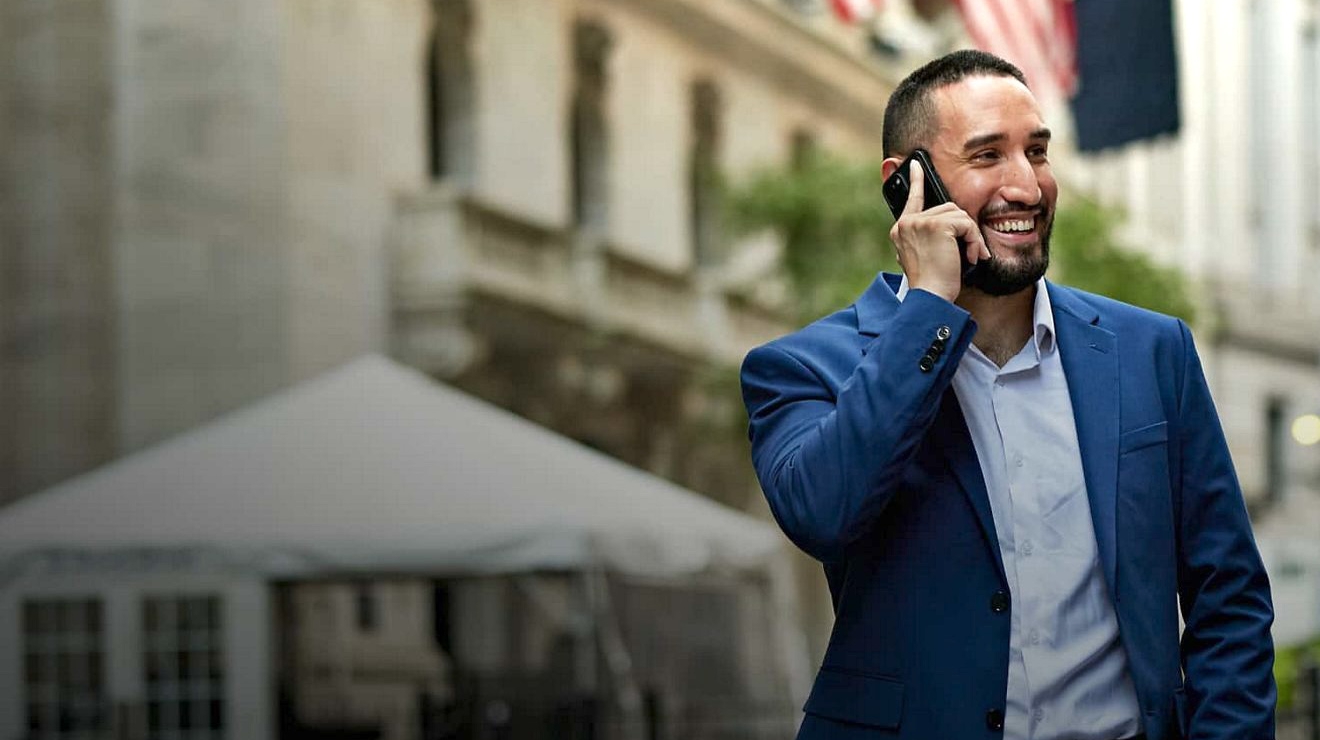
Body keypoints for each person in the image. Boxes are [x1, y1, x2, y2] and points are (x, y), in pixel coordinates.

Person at [740, 50, 1275, 740]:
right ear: (906, 182)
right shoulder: (800, 368)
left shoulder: (1152, 352)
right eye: (988, 155)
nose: (1026, 186)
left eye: (1039, 152)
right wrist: (929, 309)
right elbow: (824, 513)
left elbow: (1227, 596)